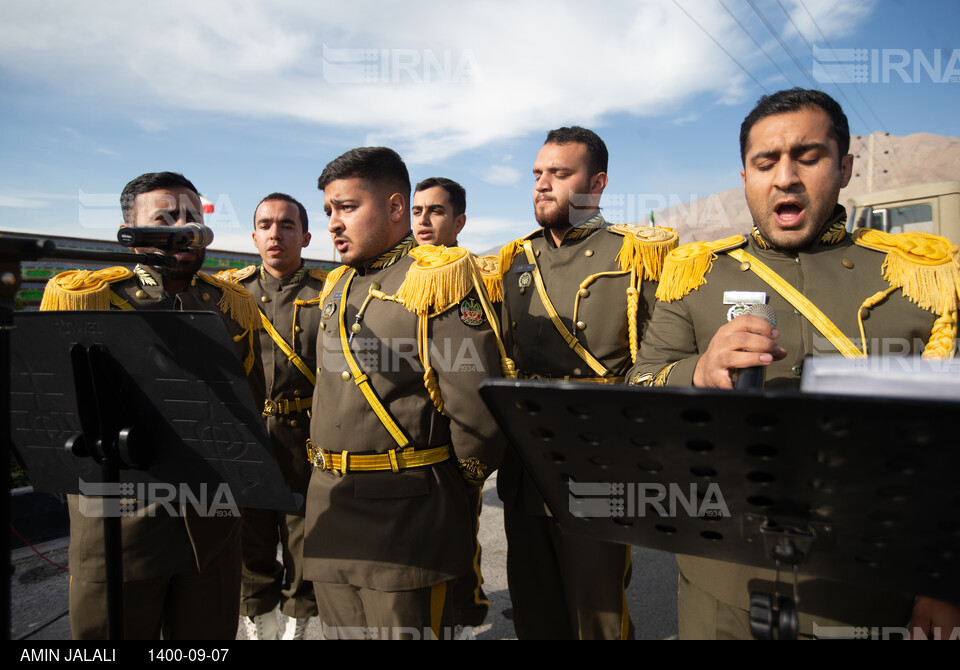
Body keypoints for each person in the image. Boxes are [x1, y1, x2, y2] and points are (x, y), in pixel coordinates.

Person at [629, 88, 960, 639]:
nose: (785, 177)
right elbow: (639, 387)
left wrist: (946, 580)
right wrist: (699, 371)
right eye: (766, 162)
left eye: (808, 156)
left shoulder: (921, 279)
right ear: (745, 178)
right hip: (724, 586)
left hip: (871, 592)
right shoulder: (695, 275)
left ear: (845, 167)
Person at [40, 171, 265, 639]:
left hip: (213, 520)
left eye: (191, 215)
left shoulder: (229, 302)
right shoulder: (92, 298)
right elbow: (55, 413)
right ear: (131, 233)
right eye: (165, 216)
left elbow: (250, 405)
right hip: (122, 524)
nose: (183, 226)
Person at [302, 147, 508, 639]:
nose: (333, 222)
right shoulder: (335, 287)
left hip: (406, 513)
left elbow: (477, 409)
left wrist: (447, 487)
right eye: (329, 209)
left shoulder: (435, 278)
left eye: (348, 207)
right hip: (330, 509)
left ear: (396, 208)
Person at [493, 126, 678, 639]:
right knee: (534, 606)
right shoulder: (513, 262)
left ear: (595, 184)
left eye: (559, 173)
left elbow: (661, 359)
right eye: (537, 174)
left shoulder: (635, 254)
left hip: (597, 457)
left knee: (595, 613)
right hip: (526, 459)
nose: (542, 184)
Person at [216, 193, 324, 640]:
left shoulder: (329, 289)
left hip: (307, 432)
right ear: (254, 235)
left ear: (305, 235)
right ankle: (258, 623)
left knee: (304, 538)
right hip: (249, 433)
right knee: (249, 537)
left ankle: (297, 626)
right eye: (266, 225)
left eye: (286, 225)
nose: (275, 234)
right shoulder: (229, 292)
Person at [410, 176, 491, 629]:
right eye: (417, 210)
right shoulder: (400, 273)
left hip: (453, 433)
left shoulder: (475, 274)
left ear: (459, 220)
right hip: (408, 434)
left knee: (460, 536)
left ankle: (463, 616)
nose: (423, 220)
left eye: (436, 211)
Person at [411, 177, 467, 247]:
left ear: (458, 223)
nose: (422, 220)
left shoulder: (471, 258)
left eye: (435, 211)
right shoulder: (397, 257)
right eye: (417, 212)